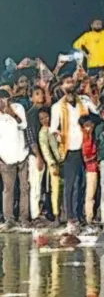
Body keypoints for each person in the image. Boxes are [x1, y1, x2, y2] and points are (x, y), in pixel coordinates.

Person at [49, 76, 97, 232]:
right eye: (67, 82)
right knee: (71, 185)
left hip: (85, 147)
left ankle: (80, 215)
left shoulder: (84, 101)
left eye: (72, 81)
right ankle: (71, 217)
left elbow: (97, 112)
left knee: (82, 184)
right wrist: (57, 134)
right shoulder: (57, 107)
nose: (70, 84)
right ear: (62, 86)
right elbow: (52, 129)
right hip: (70, 149)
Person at [0, 90, 30, 228]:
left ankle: (24, 218)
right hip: (5, 158)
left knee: (25, 187)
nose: (2, 101)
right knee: (8, 189)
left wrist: (11, 113)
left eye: (4, 98)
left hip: (22, 154)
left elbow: (23, 125)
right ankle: (9, 219)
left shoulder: (18, 108)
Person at [38, 107, 63, 226]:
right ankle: (56, 215)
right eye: (41, 118)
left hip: (62, 161)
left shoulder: (55, 128)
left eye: (46, 117)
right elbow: (45, 150)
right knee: (55, 191)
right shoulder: (43, 132)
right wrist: (51, 163)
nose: (44, 120)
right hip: (53, 164)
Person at [26, 86, 46, 223]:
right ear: (31, 97)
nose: (41, 96)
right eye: (37, 94)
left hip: (44, 154)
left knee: (42, 185)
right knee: (35, 184)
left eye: (42, 93)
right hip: (36, 154)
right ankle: (35, 215)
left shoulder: (43, 112)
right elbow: (31, 137)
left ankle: (40, 211)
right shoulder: (31, 114)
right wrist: (38, 155)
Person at [80, 116, 99, 224]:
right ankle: (89, 217)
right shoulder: (86, 138)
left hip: (95, 167)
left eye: (90, 124)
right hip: (91, 168)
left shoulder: (92, 135)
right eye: (86, 126)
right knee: (90, 194)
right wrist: (97, 156)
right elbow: (86, 158)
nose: (90, 127)